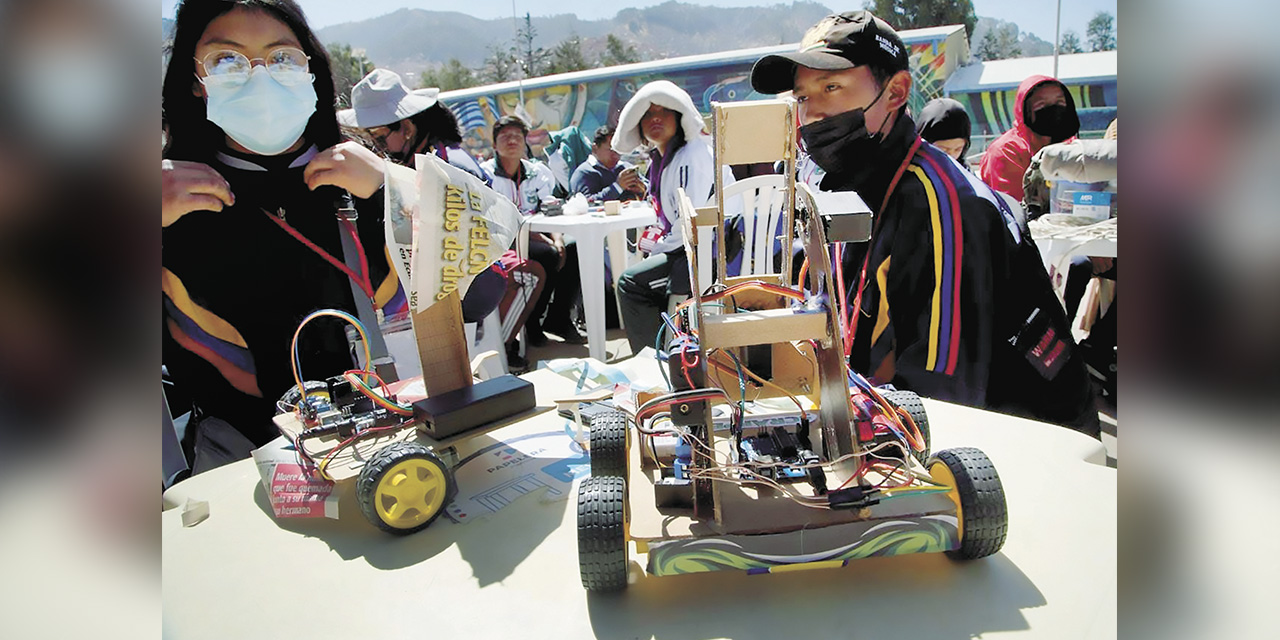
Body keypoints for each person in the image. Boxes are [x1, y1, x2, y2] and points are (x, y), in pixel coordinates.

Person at [750, 11, 1097, 435]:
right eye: (803, 97)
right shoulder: (856, 183)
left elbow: (938, 400)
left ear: (896, 92)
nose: (813, 114)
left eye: (832, 87)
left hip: (1035, 452)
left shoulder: (945, 205)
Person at [162, 0, 399, 472]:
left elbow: (479, 278)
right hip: (238, 458)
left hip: (383, 439)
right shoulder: (169, 196)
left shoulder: (366, 177)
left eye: (282, 57)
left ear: (311, 70)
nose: (260, 76)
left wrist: (397, 191)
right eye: (226, 59)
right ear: (194, 79)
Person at [338, 69, 544, 369]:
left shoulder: (449, 161)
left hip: (476, 281)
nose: (375, 148)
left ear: (406, 128)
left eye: (379, 138)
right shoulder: (412, 156)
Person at [613, 80, 722, 354]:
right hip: (689, 249)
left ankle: (654, 363)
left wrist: (658, 248)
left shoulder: (692, 155)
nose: (656, 118)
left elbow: (691, 220)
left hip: (706, 254)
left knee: (630, 284)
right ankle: (666, 351)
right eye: (648, 114)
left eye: (665, 111)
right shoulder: (664, 159)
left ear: (680, 117)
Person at [482, 116, 585, 345]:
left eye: (518, 136)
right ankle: (531, 321)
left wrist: (557, 239)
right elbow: (496, 221)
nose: (513, 141)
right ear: (494, 145)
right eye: (505, 137)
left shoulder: (537, 171)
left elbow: (549, 209)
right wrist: (546, 242)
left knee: (573, 247)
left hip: (537, 235)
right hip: (502, 241)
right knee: (547, 255)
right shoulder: (485, 175)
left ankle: (559, 317)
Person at [979, 74, 1081, 201]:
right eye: (1041, 104)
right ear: (1025, 110)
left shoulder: (1071, 145)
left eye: (1060, 102)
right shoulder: (1007, 151)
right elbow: (1012, 207)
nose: (1053, 108)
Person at [570, 125, 647, 202]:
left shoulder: (625, 167)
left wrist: (642, 188)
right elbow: (586, 203)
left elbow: (653, 189)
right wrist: (618, 187)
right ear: (595, 149)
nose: (616, 155)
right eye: (611, 150)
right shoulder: (584, 173)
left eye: (619, 150)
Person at [916, 97, 972, 164]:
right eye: (943, 150)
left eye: (958, 149)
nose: (951, 156)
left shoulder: (963, 171)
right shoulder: (907, 169)